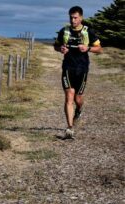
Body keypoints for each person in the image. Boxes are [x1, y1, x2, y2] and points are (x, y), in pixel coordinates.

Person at [54, 6, 102, 138]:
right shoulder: (64, 31)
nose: (73, 20)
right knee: (69, 96)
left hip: (82, 68)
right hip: (68, 67)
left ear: (81, 18)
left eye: (75, 17)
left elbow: (99, 49)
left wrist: (88, 48)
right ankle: (69, 128)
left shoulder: (88, 31)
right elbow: (56, 45)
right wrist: (60, 49)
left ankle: (79, 110)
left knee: (78, 98)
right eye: (71, 17)